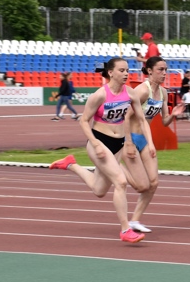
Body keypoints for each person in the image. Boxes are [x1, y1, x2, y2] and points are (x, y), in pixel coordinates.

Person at [48, 57, 152, 243]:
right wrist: (95, 143)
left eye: (127, 70)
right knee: (120, 182)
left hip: (118, 143)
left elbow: (142, 120)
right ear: (110, 73)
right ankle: (125, 229)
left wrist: (150, 143)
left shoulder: (130, 93)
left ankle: (71, 164)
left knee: (99, 190)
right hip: (100, 141)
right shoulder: (99, 95)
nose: (126, 73)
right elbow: (83, 121)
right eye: (121, 70)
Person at [126, 56, 187, 233]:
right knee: (140, 186)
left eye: (166, 69)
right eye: (160, 69)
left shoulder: (163, 93)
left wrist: (174, 113)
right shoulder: (141, 91)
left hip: (145, 140)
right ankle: (115, 168)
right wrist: (128, 142)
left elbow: (165, 121)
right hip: (129, 137)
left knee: (153, 182)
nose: (164, 73)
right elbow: (125, 116)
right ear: (150, 70)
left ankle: (135, 221)